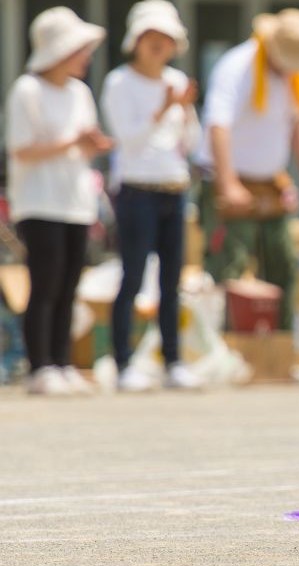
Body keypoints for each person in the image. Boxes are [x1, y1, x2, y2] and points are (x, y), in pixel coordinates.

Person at [195, 8, 299, 331]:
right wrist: (228, 183)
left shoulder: (291, 78)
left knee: (282, 264)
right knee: (229, 265)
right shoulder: (237, 67)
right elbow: (218, 125)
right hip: (230, 181)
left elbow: (298, 121)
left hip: (271, 183)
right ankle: (224, 344)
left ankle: (280, 347)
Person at [5, 7, 112, 396]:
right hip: (38, 203)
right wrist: (74, 143)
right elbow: (20, 150)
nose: (85, 57)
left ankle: (63, 362)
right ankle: (40, 366)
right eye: (78, 49)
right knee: (44, 284)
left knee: (69, 285)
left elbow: (83, 144)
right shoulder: (27, 90)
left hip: (76, 202)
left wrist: (93, 145)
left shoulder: (80, 93)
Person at [101, 0, 202, 392]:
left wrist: (185, 111)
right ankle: (123, 361)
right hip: (135, 189)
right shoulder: (119, 82)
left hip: (173, 188)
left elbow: (188, 143)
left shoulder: (176, 81)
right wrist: (163, 108)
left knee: (172, 279)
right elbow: (126, 137)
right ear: (136, 41)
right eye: (152, 37)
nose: (159, 45)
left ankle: (172, 359)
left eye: (166, 38)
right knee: (133, 275)